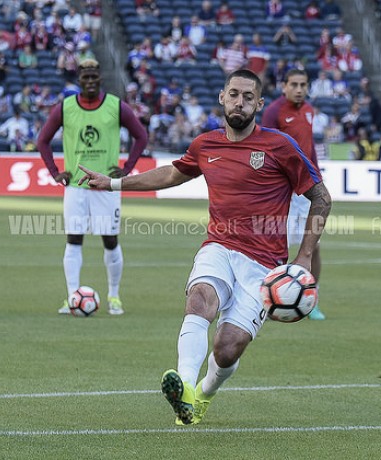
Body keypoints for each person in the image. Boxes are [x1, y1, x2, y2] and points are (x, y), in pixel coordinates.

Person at [76, 69, 332, 425]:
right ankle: (183, 385)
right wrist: (113, 184)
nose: (239, 102)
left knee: (227, 349)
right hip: (219, 246)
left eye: (247, 97)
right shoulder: (206, 144)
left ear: (259, 103)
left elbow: (321, 197)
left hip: (263, 266)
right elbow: (170, 174)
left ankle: (203, 396)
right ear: (222, 98)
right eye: (233, 94)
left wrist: (304, 255)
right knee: (199, 299)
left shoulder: (279, 146)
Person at [37, 59, 148, 316]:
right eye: (84, 78)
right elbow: (42, 141)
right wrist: (55, 172)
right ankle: (72, 297)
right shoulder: (64, 108)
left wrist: (127, 169)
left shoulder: (115, 107)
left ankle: (114, 295)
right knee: (73, 240)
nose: (89, 82)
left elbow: (141, 136)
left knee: (110, 240)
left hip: (106, 188)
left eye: (93, 77)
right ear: (79, 80)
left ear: (99, 79)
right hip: (76, 187)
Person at [261, 68, 326, 321]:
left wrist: (317, 179)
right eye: (294, 84)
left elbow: (309, 150)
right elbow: (265, 148)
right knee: (276, 247)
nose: (299, 89)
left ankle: (312, 296)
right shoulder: (274, 112)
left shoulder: (309, 110)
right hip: (282, 190)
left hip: (306, 188)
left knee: (315, 245)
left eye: (303, 84)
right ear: (284, 86)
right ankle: (269, 298)